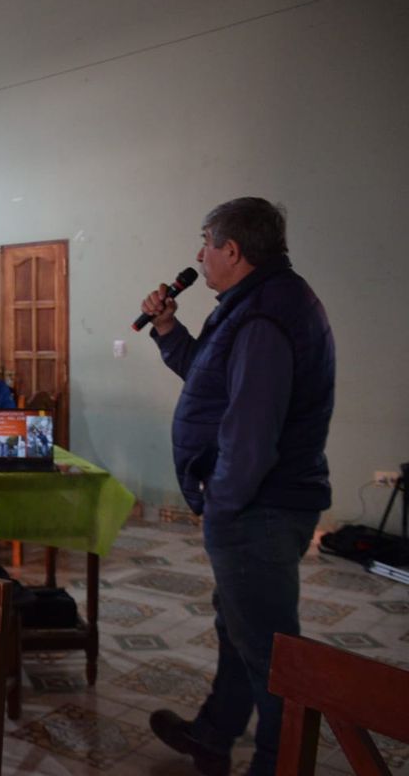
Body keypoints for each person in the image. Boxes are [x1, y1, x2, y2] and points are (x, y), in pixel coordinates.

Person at [140, 198, 334, 776]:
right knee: (242, 628)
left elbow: (251, 434)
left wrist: (220, 507)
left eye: (205, 242)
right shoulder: (258, 303)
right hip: (260, 504)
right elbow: (212, 377)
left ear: (232, 250)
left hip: (258, 508)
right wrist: (168, 329)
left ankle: (277, 765)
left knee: (272, 656)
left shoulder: (263, 316)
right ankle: (214, 732)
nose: (198, 255)